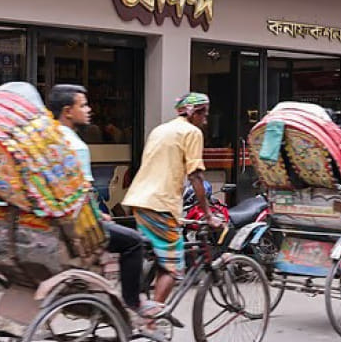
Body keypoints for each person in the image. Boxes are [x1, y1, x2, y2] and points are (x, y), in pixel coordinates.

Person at [47, 84, 161, 318]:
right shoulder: (76, 146)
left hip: (51, 220)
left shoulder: (46, 139)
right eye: (83, 105)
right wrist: (97, 215)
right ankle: (134, 303)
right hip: (75, 227)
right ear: (67, 111)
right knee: (134, 242)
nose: (89, 110)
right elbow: (83, 193)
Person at [122, 92, 216, 307]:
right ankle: (154, 318)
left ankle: (140, 303)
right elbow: (195, 176)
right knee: (173, 267)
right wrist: (208, 214)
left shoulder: (161, 129)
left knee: (158, 254)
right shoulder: (192, 132)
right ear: (194, 114)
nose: (205, 120)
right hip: (161, 203)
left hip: (139, 201)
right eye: (204, 115)